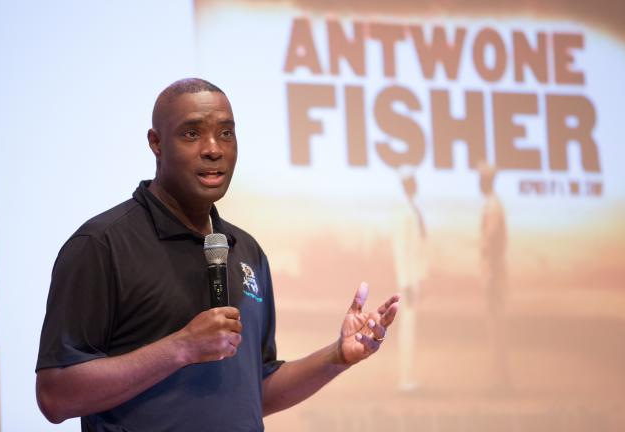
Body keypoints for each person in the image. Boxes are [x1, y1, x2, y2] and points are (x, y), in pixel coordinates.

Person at [35, 78, 400, 431]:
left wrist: (336, 357)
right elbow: (55, 396)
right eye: (192, 133)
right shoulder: (102, 245)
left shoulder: (247, 251)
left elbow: (256, 390)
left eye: (226, 133)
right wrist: (181, 348)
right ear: (156, 143)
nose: (214, 148)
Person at [391, 166, 427, 391]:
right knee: (407, 330)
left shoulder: (412, 210)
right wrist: (406, 282)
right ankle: (405, 379)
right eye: (412, 181)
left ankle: (410, 376)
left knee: (411, 330)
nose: (415, 184)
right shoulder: (403, 212)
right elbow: (400, 249)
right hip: (408, 282)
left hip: (414, 280)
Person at [477, 160, 510, 389]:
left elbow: (492, 242)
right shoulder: (491, 204)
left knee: (496, 326)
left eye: (482, 179)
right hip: (493, 271)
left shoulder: (493, 207)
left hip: (494, 273)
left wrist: (489, 273)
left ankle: (500, 380)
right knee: (494, 326)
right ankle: (498, 377)